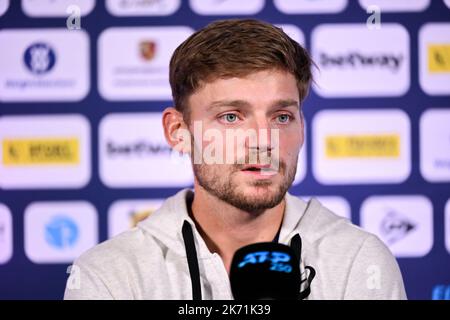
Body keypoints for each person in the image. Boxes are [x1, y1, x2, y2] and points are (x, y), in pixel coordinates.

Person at [64, 19, 406, 300]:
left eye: (281, 117)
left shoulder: (358, 261)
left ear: (301, 127)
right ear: (178, 131)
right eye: (231, 117)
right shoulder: (110, 274)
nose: (263, 140)